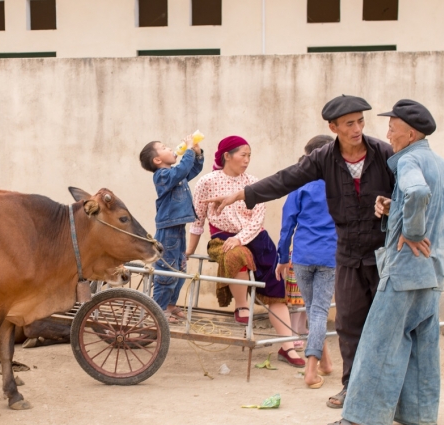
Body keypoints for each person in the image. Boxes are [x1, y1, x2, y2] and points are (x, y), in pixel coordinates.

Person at [204, 95, 395, 406]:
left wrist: (396, 209)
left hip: (380, 252)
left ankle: (386, 392)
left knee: (384, 323)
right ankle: (352, 389)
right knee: (347, 323)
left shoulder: (384, 153)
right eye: (349, 123)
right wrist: (243, 193)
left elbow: (406, 188)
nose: (358, 128)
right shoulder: (323, 158)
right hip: (345, 254)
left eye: (361, 121)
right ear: (333, 127)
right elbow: (284, 180)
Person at [318, 99, 444, 425]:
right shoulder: (440, 164)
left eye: (392, 127)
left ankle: (359, 422)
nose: (387, 133)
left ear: (410, 133)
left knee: (378, 343)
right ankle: (420, 417)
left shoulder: (407, 161)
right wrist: (396, 210)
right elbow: (434, 197)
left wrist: (411, 231)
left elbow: (419, 193)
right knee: (423, 344)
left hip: (404, 271)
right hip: (432, 272)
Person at [188, 136, 304, 367]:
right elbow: (198, 219)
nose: (247, 160)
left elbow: (258, 218)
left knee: (276, 283)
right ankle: (241, 307)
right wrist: (189, 249)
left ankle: (288, 346)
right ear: (227, 156)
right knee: (236, 254)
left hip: (256, 237)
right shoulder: (207, 182)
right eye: (243, 154)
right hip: (221, 237)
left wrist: (240, 237)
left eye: (250, 155)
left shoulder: (253, 182)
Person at [276, 134, 337, 389]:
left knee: (313, 308)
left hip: (301, 256)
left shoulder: (299, 186)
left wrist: (282, 258)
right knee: (318, 310)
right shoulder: (340, 185)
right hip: (330, 256)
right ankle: (311, 371)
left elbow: (287, 224)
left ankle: (326, 363)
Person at [139, 135, 204, 320]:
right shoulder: (162, 176)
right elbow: (182, 169)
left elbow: (190, 169)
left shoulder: (176, 175)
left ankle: (170, 304)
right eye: (164, 147)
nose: (170, 148)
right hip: (167, 231)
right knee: (166, 271)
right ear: (157, 160)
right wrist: (189, 150)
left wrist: (197, 155)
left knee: (180, 269)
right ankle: (157, 310)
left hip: (178, 228)